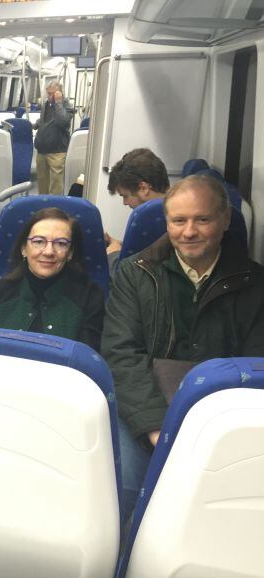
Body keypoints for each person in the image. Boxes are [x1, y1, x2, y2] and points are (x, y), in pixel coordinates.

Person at [101, 174, 264, 519]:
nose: (189, 232)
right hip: (143, 412)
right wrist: (156, 428)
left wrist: (212, 430)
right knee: (123, 494)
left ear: (225, 220)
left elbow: (254, 367)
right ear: (167, 222)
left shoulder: (255, 284)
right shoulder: (133, 274)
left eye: (202, 219)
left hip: (222, 419)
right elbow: (121, 355)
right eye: (178, 221)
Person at [0, 207, 104, 352]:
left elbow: (87, 359)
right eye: (39, 241)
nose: (49, 252)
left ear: (70, 253)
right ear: (24, 248)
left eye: (61, 243)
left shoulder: (90, 298)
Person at [105, 148, 170, 269]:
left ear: (143, 188)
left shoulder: (147, 216)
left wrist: (113, 254)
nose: (124, 203)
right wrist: (118, 244)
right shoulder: (176, 206)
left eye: (125, 196)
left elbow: (124, 273)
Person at [33, 81, 71, 195]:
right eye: (48, 93)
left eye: (52, 93)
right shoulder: (46, 104)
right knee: (42, 184)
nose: (50, 96)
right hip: (42, 150)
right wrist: (36, 124)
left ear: (60, 93)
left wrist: (58, 102)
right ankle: (43, 204)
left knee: (56, 186)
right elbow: (45, 120)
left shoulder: (66, 105)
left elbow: (63, 121)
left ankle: (55, 206)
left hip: (57, 152)